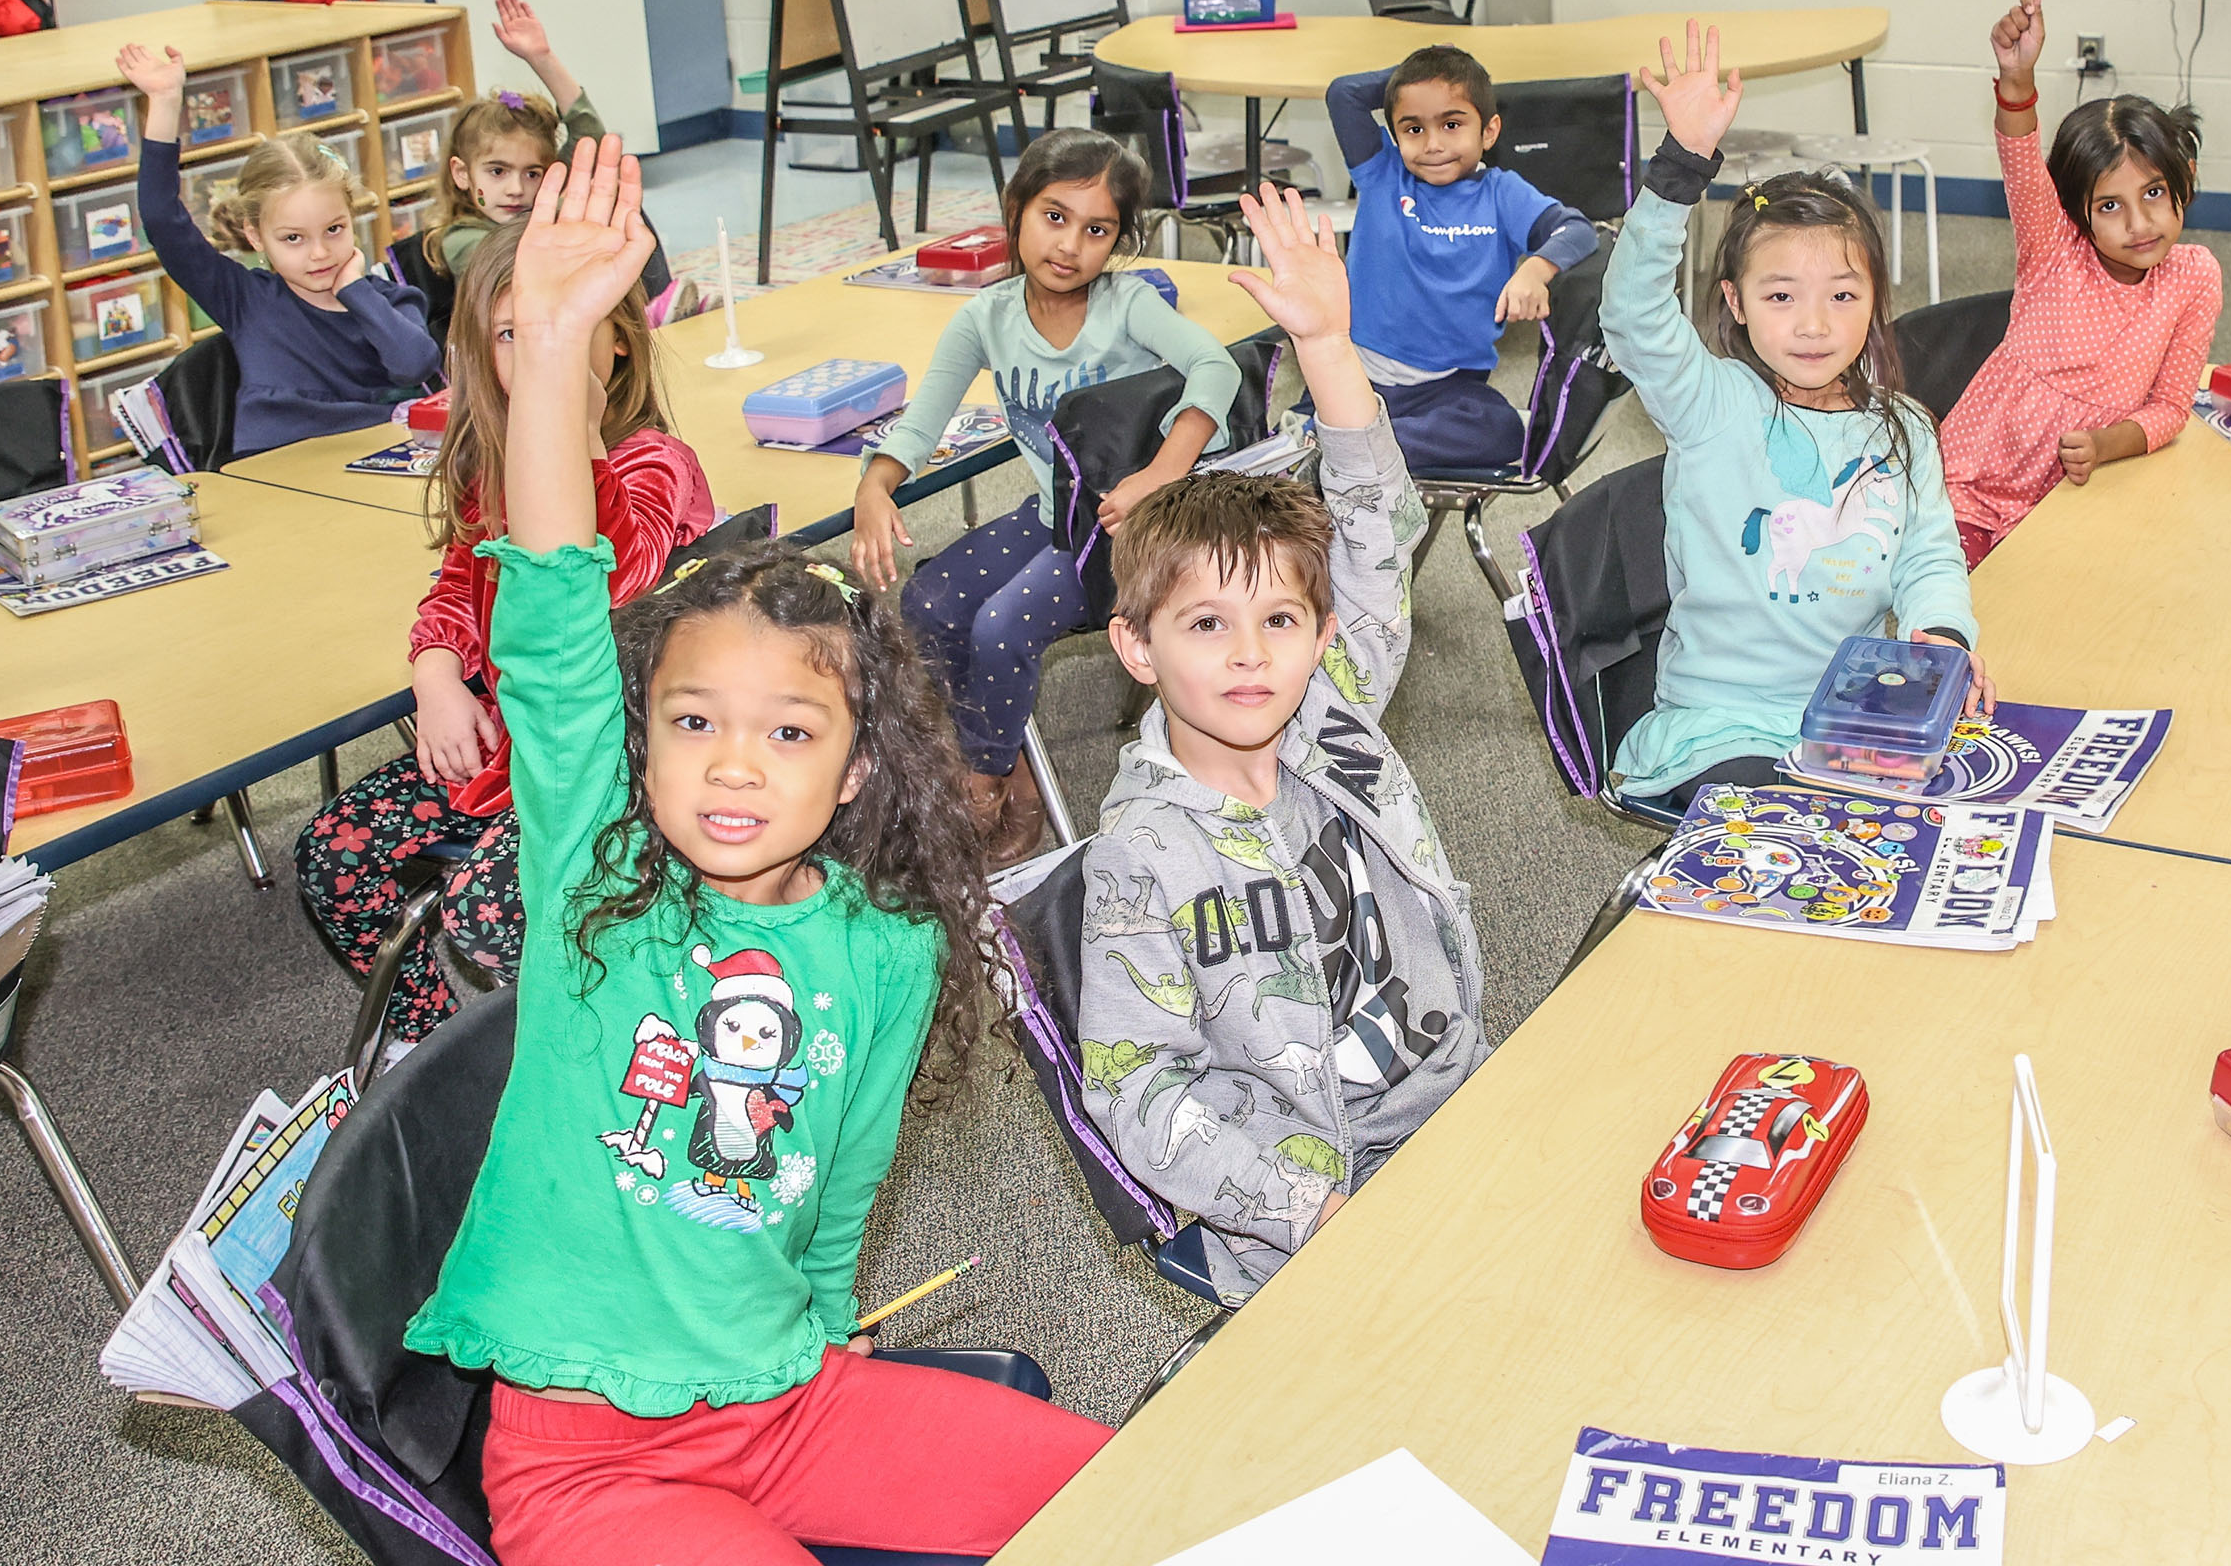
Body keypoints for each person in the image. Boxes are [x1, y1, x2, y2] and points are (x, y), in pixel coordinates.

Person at [402, 136, 1107, 1566]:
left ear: (856, 773)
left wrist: (828, 1332)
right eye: (694, 721)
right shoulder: (599, 876)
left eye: (789, 734)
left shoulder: (895, 941)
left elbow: (842, 1193)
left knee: (1141, 1498)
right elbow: (543, 613)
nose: (733, 759)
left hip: (788, 1403)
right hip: (587, 1460)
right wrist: (549, 349)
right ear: (641, 743)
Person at [1074, 183, 1490, 1307]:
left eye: (1280, 622)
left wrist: (1326, 344)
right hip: (1322, 1196)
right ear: (1137, 648)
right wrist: (1311, 1213)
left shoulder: (1331, 710)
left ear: (1322, 635)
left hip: (1461, 1098)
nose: (1250, 656)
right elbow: (1138, 1092)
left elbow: (1375, 528)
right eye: (1206, 625)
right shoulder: (1142, 855)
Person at [291, 219, 714, 1050]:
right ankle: (434, 1050)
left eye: (565, 330)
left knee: (484, 906)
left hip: (617, 760)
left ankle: (601, 1043)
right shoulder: (493, 466)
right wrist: (438, 676)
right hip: (506, 751)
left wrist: (580, 433)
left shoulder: (654, 458)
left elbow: (613, 591)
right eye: (513, 336)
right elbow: (457, 584)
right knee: (331, 855)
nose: (540, 356)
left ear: (619, 342)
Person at [1600, 23, 1991, 811]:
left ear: (1877, 301)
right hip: (1725, 726)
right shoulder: (1712, 403)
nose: (1814, 325)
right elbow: (1633, 314)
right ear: (1736, 304)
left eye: (1842, 295)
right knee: (1791, 837)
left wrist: (1941, 633)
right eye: (1781, 296)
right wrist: (1680, 168)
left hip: (1862, 718)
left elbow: (1927, 556)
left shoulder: (1905, 428)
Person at [850, 129, 1242, 859]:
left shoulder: (1126, 306)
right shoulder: (986, 316)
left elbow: (1217, 369)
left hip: (1119, 536)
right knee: (926, 605)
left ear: (1119, 239)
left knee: (1001, 628)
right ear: (1017, 210)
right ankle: (1015, 760)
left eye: (1097, 230)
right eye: (1054, 217)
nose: (1070, 245)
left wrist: (1164, 470)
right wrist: (877, 484)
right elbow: (925, 416)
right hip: (1048, 515)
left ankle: (991, 782)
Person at [1942, 0, 2223, 567]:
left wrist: (2102, 446)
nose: (2141, 223)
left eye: (2153, 194)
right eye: (2111, 206)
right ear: (2076, 212)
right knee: (1963, 605)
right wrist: (2016, 79)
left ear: (2184, 182)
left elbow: (2170, 407)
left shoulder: (2195, 276)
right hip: (1978, 485)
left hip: (2081, 490)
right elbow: (2020, 156)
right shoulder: (2053, 249)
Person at [118, 43, 439, 455]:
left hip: (369, 469)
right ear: (255, 237)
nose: (320, 253)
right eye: (293, 238)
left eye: (334, 229)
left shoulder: (391, 301)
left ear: (352, 218)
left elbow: (414, 364)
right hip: (276, 480)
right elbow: (162, 219)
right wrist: (164, 101)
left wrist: (354, 290)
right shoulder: (246, 300)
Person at [1322, 43, 1597, 472]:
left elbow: (1577, 230)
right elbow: (1344, 94)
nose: (1433, 144)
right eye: (1413, 129)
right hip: (1359, 373)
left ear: (1488, 131)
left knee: (1505, 432)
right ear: (1395, 134)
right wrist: (1422, 77)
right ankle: (1356, 439)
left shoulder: (1503, 193)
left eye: (1451, 123)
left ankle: (1354, 443)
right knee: (1338, 403)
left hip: (1449, 389)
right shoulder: (1381, 171)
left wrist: (1535, 271)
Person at [422, 0, 610, 276]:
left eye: (532, 174)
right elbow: (524, 274)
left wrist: (542, 58)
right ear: (462, 173)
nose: (516, 190)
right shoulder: (461, 239)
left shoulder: (539, 208)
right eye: (498, 172)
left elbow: (589, 141)